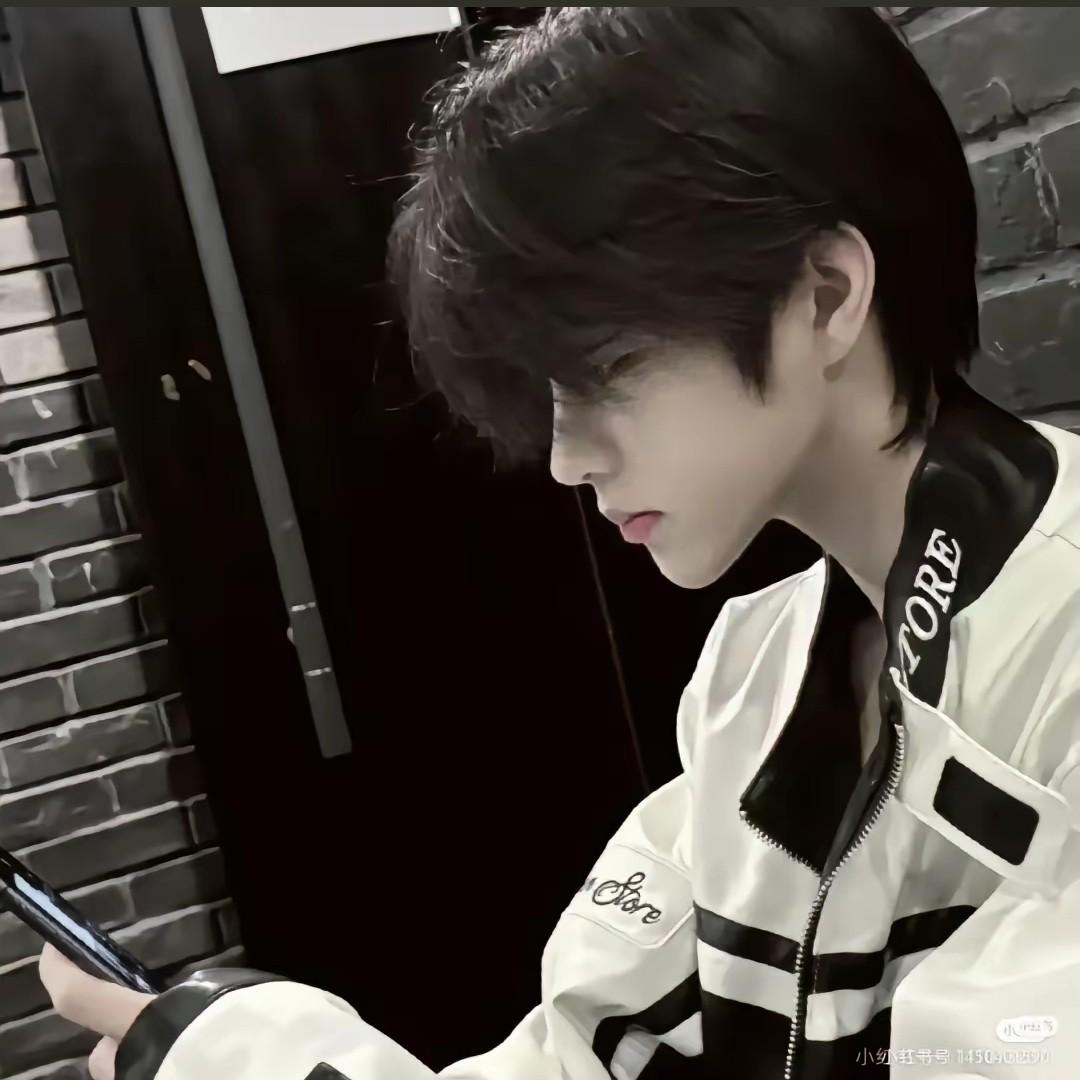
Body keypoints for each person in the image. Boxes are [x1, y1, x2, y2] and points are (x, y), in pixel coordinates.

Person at [39, 7, 1080, 1079]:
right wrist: (232, 1051)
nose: (567, 457)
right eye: (544, 391)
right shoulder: (747, 678)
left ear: (825, 296)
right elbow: (578, 1057)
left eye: (605, 368)